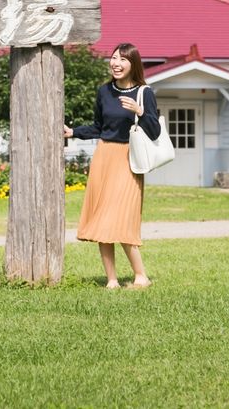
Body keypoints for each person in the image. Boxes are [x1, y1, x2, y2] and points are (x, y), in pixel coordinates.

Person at [64, 43, 161, 289]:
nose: (116, 63)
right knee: (101, 217)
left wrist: (140, 111)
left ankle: (141, 276)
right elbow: (99, 127)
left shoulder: (144, 93)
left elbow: (154, 131)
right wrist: (74, 132)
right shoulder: (104, 91)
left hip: (128, 159)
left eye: (123, 59)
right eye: (114, 58)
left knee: (121, 217)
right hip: (104, 156)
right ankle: (112, 280)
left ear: (133, 64)